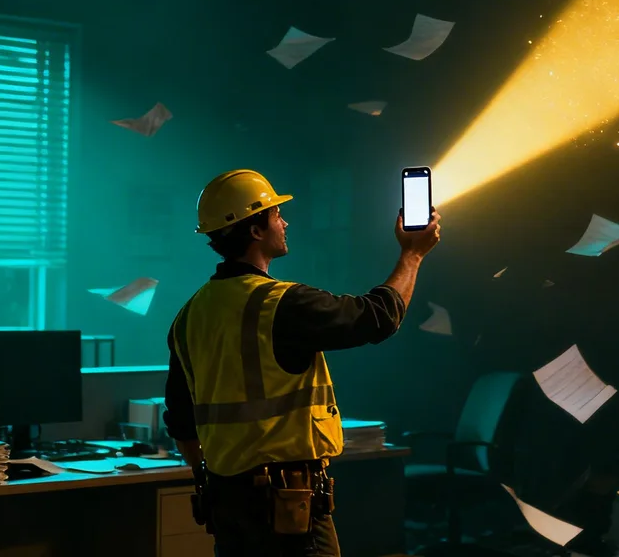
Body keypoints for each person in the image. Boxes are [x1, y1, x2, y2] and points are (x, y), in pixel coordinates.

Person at [162, 169, 440, 557]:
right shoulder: (280, 304)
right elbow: (379, 317)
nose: (284, 221)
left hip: (226, 503)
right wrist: (412, 254)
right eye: (276, 214)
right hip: (287, 504)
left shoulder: (189, 315)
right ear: (256, 230)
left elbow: (181, 420)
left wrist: (210, 479)